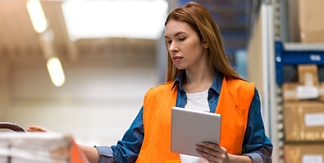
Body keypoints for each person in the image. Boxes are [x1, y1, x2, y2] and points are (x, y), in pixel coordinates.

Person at [28, 1, 273, 163]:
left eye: (181, 38)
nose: (173, 48)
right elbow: (124, 154)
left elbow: (263, 153)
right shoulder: (156, 98)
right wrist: (66, 144)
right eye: (168, 41)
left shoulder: (243, 93)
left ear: (205, 40)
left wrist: (230, 160)